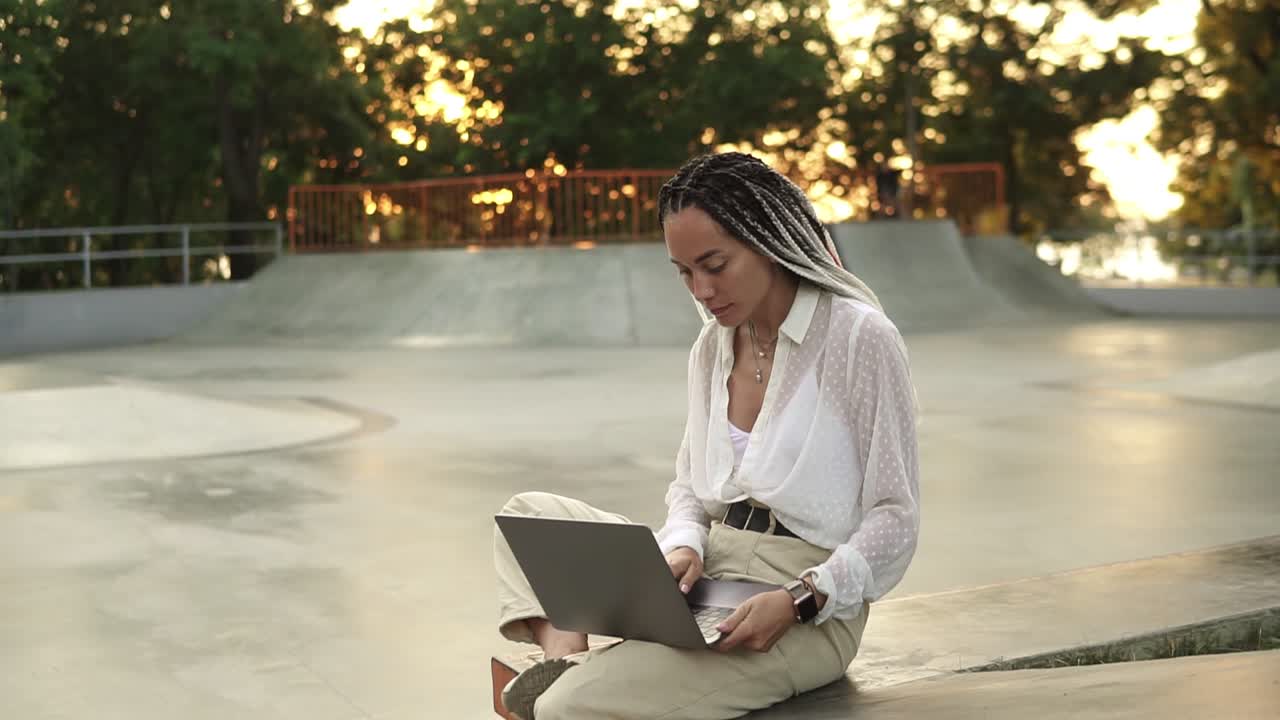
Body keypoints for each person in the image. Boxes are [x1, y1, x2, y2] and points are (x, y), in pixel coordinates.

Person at [493, 151, 921, 720]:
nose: (700, 289)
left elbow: (895, 517)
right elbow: (691, 488)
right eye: (685, 272)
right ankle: (567, 649)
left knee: (570, 707)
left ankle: (577, 678)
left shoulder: (860, 338)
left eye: (715, 264)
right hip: (713, 573)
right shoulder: (713, 347)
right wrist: (683, 546)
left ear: (767, 241)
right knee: (527, 515)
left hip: (804, 607)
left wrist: (799, 599)